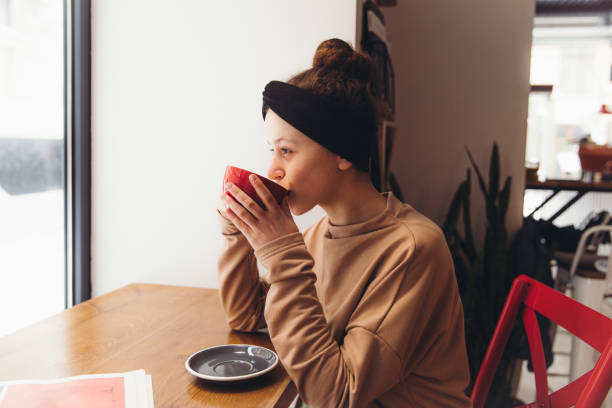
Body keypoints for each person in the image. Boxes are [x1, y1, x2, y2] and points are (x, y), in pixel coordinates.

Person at [216, 38, 471, 407]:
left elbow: (336, 395)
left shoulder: (412, 249)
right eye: (271, 150)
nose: (273, 167)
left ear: (341, 153)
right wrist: (238, 233)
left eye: (286, 150)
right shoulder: (321, 233)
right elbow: (247, 316)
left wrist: (284, 255)